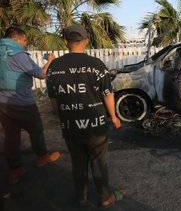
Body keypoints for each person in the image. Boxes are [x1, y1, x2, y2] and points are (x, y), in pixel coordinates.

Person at [46, 25, 124, 208]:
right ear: (87, 41)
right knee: (98, 162)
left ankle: (81, 196)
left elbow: (54, 100)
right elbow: (107, 94)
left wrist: (62, 117)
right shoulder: (97, 65)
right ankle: (105, 197)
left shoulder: (54, 67)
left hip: (70, 127)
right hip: (96, 125)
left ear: (65, 42)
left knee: (78, 162)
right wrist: (113, 116)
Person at [0, 27, 60, 185]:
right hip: (22, 101)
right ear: (17, 39)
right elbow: (40, 74)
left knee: (11, 136)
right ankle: (42, 157)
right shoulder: (18, 55)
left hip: (2, 102)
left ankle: (15, 169)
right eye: (25, 40)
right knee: (36, 130)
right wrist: (50, 61)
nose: (25, 44)